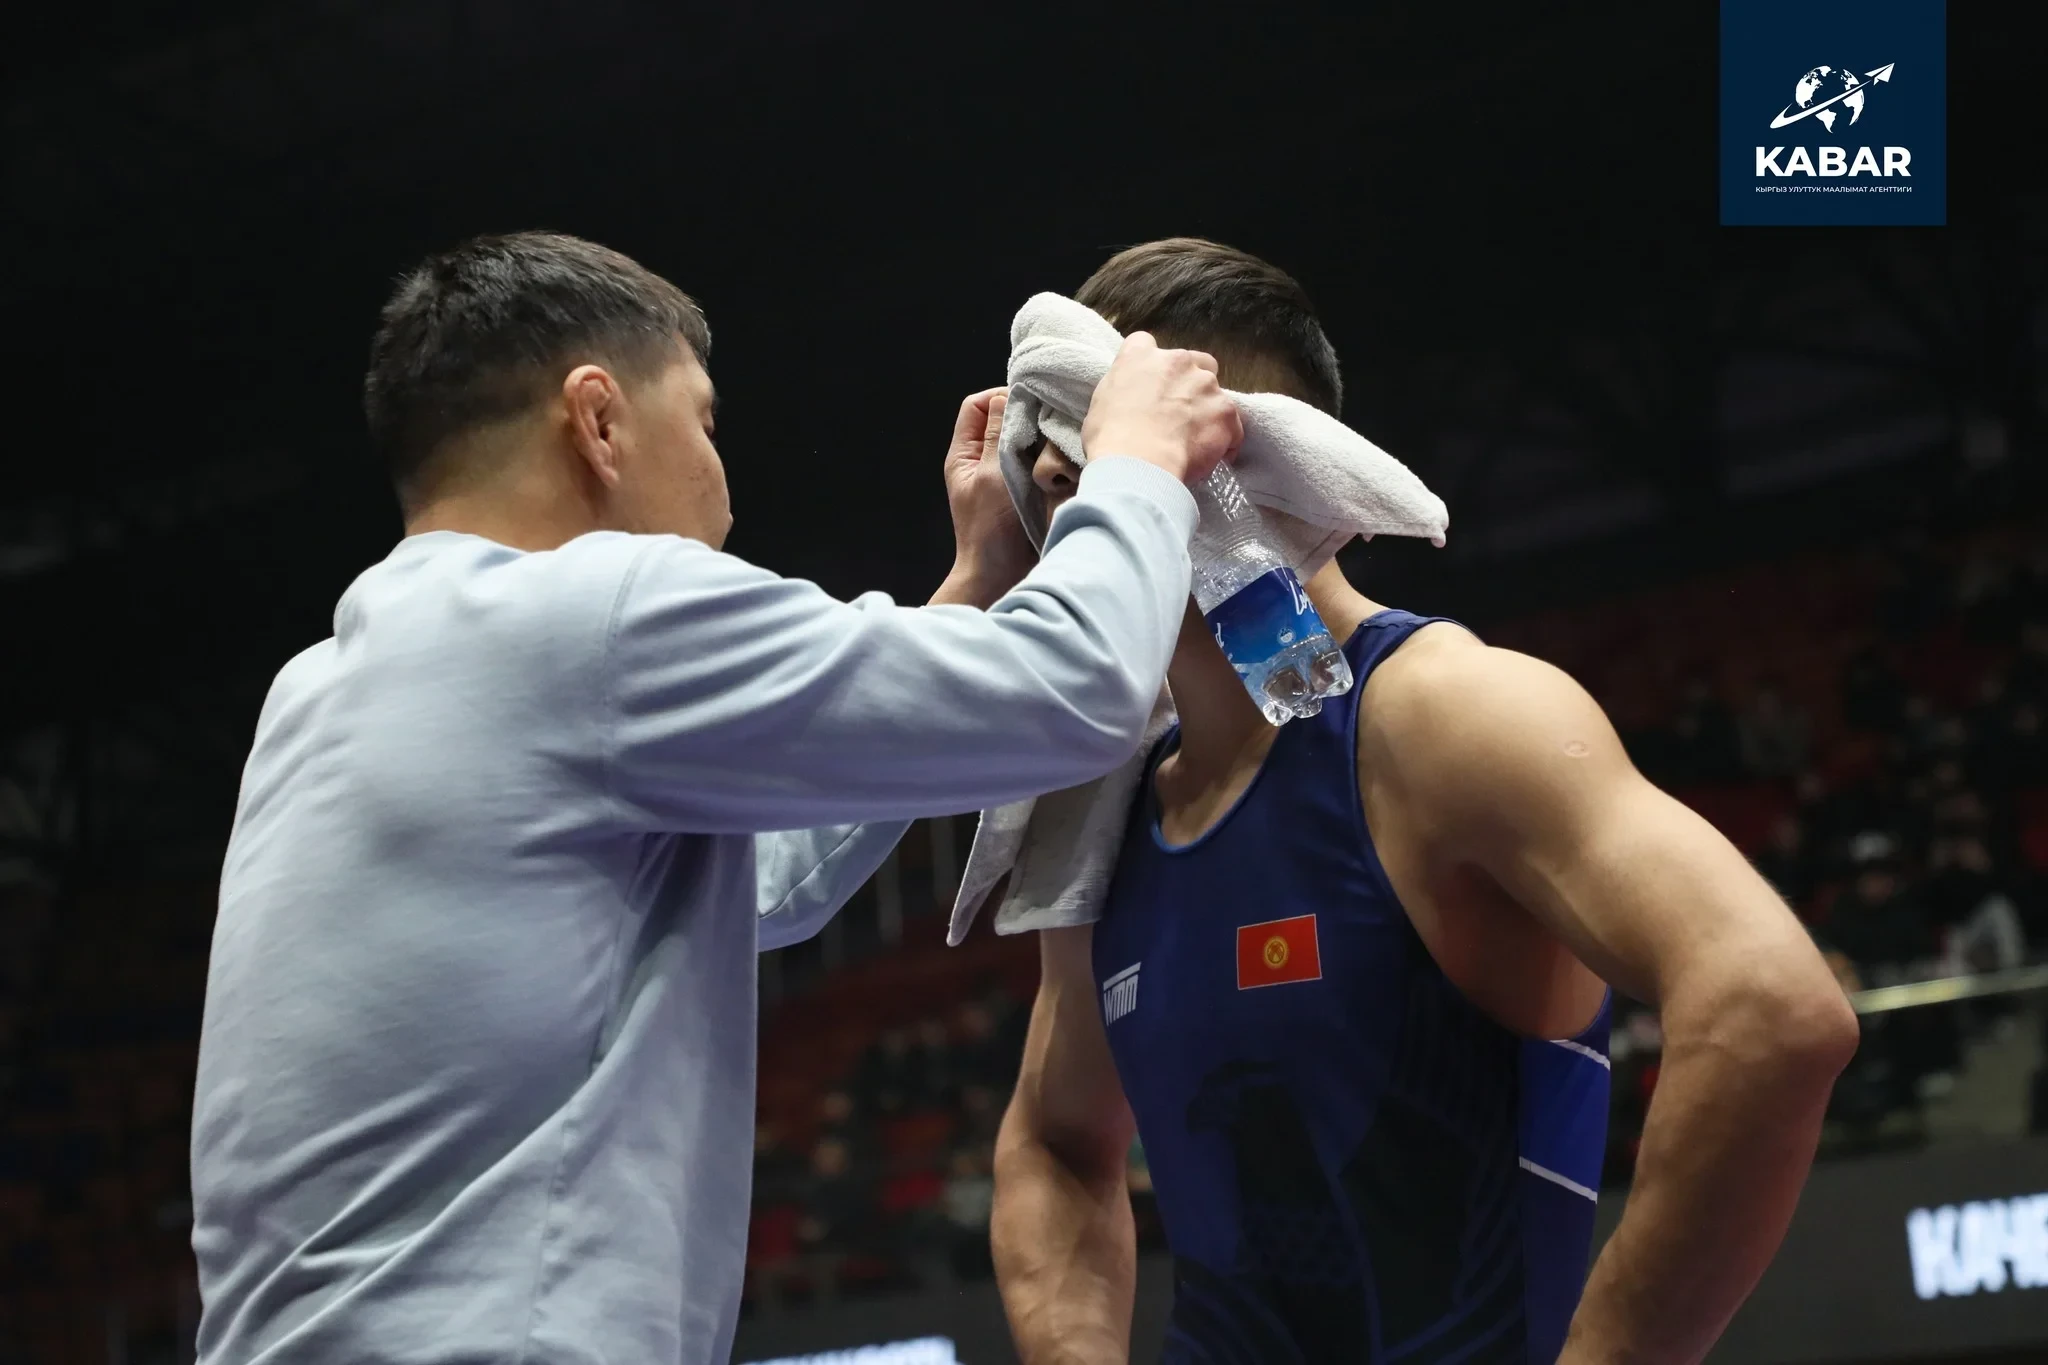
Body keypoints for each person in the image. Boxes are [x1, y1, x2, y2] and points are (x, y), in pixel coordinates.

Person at [189, 231, 1242, 1365]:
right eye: (702, 423)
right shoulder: (589, 610)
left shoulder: (324, 685)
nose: (722, 488)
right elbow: (1075, 690)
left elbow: (763, 884)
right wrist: (1135, 461)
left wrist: (974, 584)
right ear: (597, 421)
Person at [989, 239, 1859, 1365]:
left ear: (1233, 460)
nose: (1047, 489)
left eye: (1079, 453)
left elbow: (1772, 1010)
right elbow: (1054, 1140)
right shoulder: (1104, 810)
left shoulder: (1444, 717)